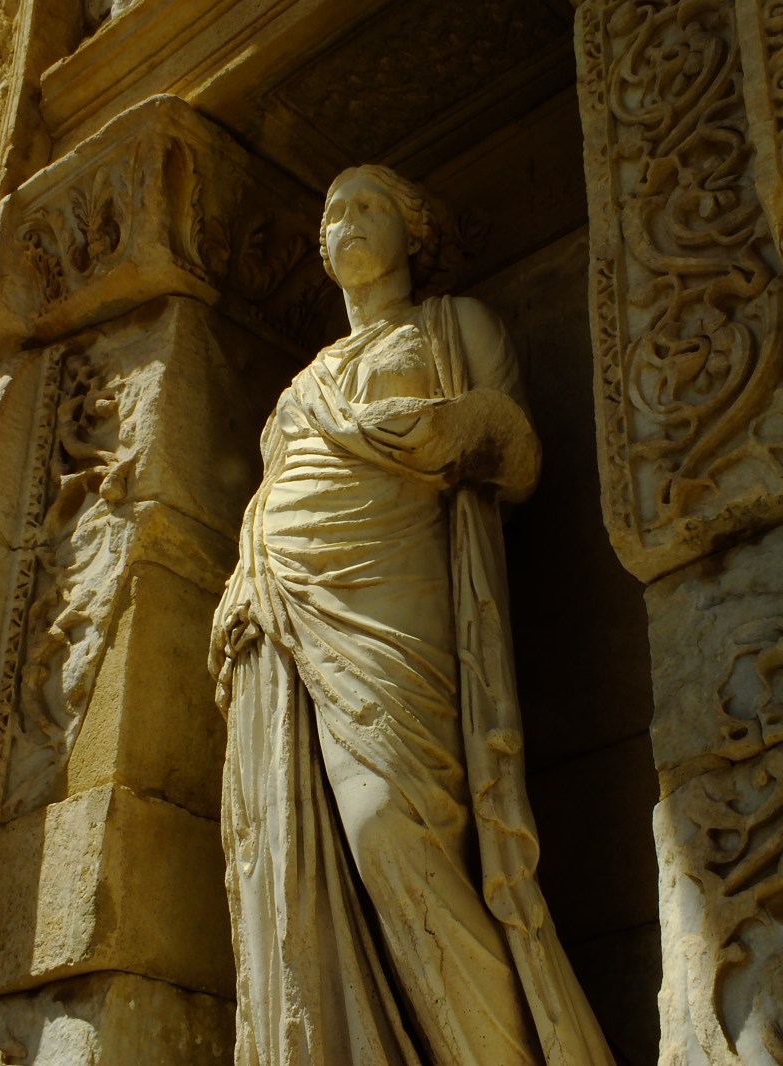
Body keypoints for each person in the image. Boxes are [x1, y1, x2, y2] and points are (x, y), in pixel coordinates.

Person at [209, 165, 615, 1066]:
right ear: (321, 251)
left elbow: (517, 454)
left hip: (396, 596)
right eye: (335, 212)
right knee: (298, 849)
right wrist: (247, 589)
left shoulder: (455, 326)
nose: (349, 220)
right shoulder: (303, 384)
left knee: (388, 822)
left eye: (371, 206)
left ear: (413, 231)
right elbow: (270, 493)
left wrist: (449, 428)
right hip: (282, 613)